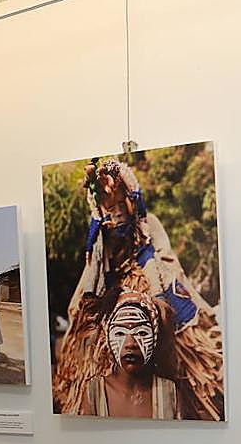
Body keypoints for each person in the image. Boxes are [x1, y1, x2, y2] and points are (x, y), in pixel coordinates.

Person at [55, 157, 223, 420]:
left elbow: (164, 257)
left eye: (121, 206)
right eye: (110, 210)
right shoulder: (101, 240)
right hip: (113, 289)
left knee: (175, 326)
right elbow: (92, 275)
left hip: (150, 278)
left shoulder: (148, 224)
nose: (117, 214)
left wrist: (158, 292)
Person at [80, 288, 195, 419]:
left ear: (155, 337)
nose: (130, 344)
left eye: (141, 333)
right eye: (119, 333)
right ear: (107, 337)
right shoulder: (94, 392)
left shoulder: (169, 393)